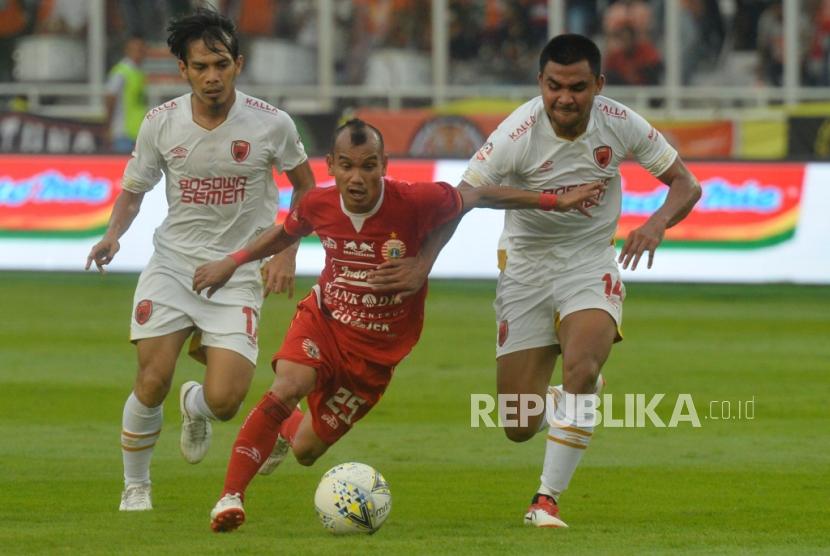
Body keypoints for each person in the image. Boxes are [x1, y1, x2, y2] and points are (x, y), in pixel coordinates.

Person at [191, 118, 605, 532]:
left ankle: (286, 427)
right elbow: (283, 233)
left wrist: (554, 201)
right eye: (347, 166)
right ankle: (231, 497)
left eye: (368, 165)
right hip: (324, 322)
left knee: (305, 450)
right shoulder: (318, 203)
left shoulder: (415, 199)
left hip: (374, 354)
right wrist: (232, 262)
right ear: (331, 165)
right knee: (287, 386)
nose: (357, 177)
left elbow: (476, 195)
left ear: (384, 164)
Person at [368, 34, 702, 528]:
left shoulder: (619, 122)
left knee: (581, 370)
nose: (564, 98)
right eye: (554, 86)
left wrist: (655, 223)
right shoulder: (516, 133)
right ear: (540, 83)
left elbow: (686, 183)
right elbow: (466, 196)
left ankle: (545, 499)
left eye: (577, 87)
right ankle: (566, 400)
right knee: (518, 424)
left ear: (598, 85)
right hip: (525, 267)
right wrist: (423, 262)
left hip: (589, 261)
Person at [85, 8, 316, 512]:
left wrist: (288, 250)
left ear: (238, 63)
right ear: (182, 71)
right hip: (173, 266)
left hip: (237, 271)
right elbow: (133, 191)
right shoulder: (160, 124)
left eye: (221, 64)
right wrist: (112, 235)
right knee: (150, 379)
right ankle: (136, 486)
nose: (212, 77)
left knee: (226, 401)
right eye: (200, 67)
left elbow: (305, 190)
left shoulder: (271, 124)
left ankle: (195, 404)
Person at [105, 35, 148, 153]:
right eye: (135, 50)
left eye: (141, 50)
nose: (139, 53)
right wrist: (109, 126)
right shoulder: (121, 72)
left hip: (137, 132)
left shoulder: (138, 72)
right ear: (127, 51)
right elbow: (110, 98)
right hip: (123, 132)